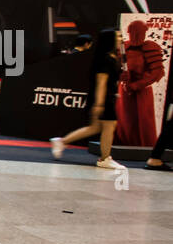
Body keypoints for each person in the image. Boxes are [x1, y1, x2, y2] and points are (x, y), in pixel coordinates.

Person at [50, 28, 126, 169]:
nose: (121, 39)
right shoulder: (106, 59)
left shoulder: (108, 57)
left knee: (95, 127)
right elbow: (101, 81)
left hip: (103, 97)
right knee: (109, 126)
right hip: (104, 99)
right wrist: (99, 103)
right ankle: (105, 158)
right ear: (110, 39)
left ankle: (62, 141)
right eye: (119, 36)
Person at [116, 19, 166, 147]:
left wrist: (136, 85)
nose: (135, 36)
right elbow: (116, 68)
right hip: (124, 90)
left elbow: (157, 73)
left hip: (142, 91)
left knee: (143, 122)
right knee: (125, 120)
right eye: (132, 32)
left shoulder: (150, 47)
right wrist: (121, 75)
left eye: (138, 32)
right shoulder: (124, 47)